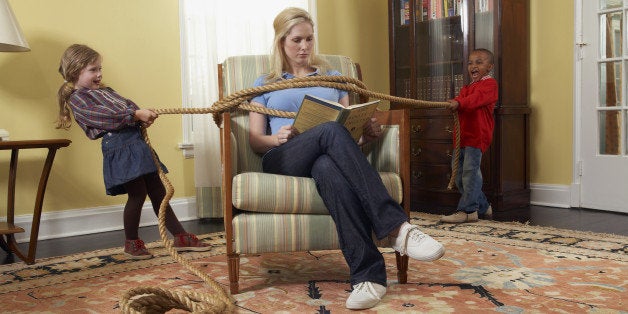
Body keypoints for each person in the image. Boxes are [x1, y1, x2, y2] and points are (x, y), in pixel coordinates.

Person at [248, 7, 445, 310]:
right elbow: (254, 139)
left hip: (323, 157)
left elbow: (347, 132)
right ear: (281, 42)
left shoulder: (334, 78)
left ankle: (369, 277)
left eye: (309, 39)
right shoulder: (265, 82)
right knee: (328, 130)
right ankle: (396, 227)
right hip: (283, 157)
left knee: (328, 165)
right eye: (297, 40)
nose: (304, 47)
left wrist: (366, 134)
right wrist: (277, 137)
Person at [55, 44, 210, 259]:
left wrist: (140, 116)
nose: (99, 74)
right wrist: (134, 115)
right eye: (93, 70)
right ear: (75, 71)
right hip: (119, 147)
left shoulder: (105, 91)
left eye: (100, 69)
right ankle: (131, 242)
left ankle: (180, 236)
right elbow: (106, 116)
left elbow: (127, 106)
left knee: (158, 192)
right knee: (137, 194)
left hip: (135, 143)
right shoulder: (79, 98)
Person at [440, 48, 498, 224]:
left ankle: (468, 211)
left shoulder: (490, 85)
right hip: (461, 139)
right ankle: (483, 205)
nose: (473, 66)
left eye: (479, 62)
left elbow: (474, 100)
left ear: (489, 67)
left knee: (470, 174)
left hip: (476, 137)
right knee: (459, 176)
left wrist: (459, 102)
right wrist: (454, 102)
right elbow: (463, 100)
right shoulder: (467, 88)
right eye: (471, 62)